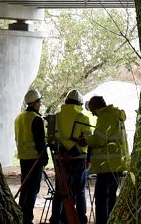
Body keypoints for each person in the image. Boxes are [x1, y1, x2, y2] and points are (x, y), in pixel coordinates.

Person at [50, 89, 92, 224]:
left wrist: (63, 152)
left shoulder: (55, 118)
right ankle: (80, 219)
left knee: (59, 191)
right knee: (79, 191)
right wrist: (74, 151)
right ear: (79, 103)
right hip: (78, 159)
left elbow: (50, 141)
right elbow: (88, 140)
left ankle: (57, 219)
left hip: (60, 159)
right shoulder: (83, 118)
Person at [85, 95, 128, 224]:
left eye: (91, 108)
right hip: (115, 164)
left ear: (95, 105)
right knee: (111, 196)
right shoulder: (114, 115)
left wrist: (86, 139)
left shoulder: (105, 117)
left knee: (102, 198)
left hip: (107, 165)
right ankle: (111, 220)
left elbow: (99, 140)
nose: (91, 112)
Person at [14, 88, 50, 224]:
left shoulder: (19, 117)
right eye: (39, 102)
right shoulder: (36, 119)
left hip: (23, 159)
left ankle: (21, 216)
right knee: (33, 190)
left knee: (25, 188)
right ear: (35, 103)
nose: (40, 104)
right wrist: (45, 159)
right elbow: (40, 142)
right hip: (35, 159)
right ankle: (27, 218)